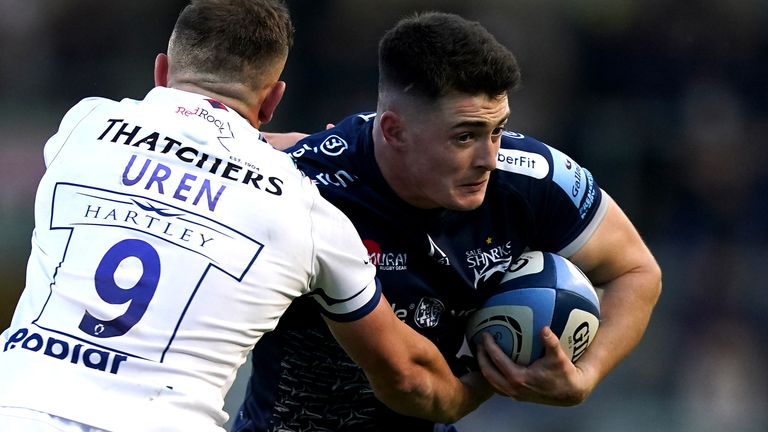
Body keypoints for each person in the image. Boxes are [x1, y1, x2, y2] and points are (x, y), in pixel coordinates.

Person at [0, 2, 492, 431]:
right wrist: (485, 383)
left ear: (161, 71)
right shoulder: (310, 212)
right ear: (273, 100)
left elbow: (180, 149)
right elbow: (407, 378)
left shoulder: (84, 123)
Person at [234, 11, 662, 432]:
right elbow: (411, 385)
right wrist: (482, 385)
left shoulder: (533, 178)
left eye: (498, 129)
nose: (489, 158)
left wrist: (586, 378)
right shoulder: (300, 186)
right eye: (465, 136)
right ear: (394, 131)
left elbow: (636, 270)